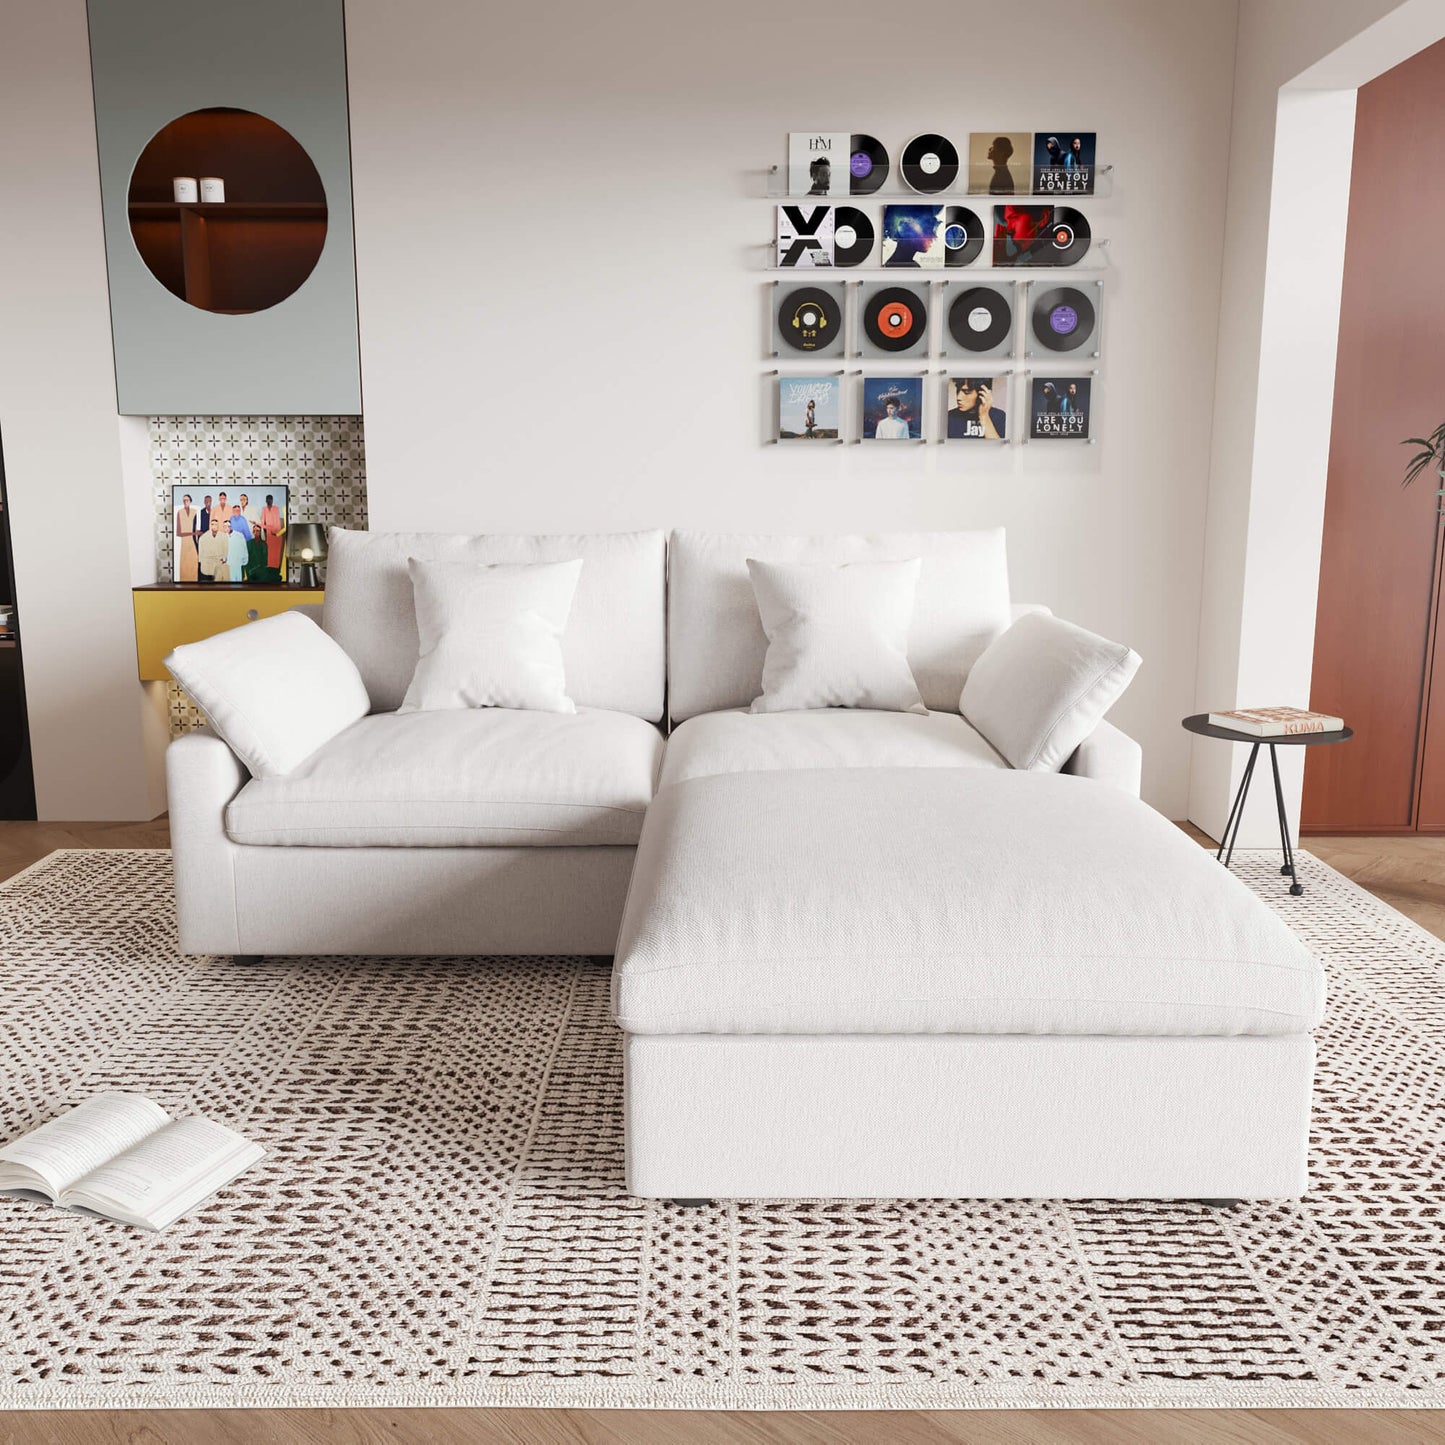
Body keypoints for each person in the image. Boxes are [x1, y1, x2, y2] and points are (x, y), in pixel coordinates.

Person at [239, 492, 267, 579]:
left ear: (247, 501)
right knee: (241, 557)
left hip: (251, 537)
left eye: (244, 499)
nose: (242, 501)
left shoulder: (252, 509)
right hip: (241, 538)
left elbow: (258, 523)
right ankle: (242, 576)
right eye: (241, 500)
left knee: (250, 558)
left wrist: (261, 537)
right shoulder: (238, 510)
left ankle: (251, 575)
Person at [175, 494, 199, 582]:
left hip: (193, 542)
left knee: (194, 564)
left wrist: (196, 534)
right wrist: (193, 533)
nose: (185, 502)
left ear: (190, 501)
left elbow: (197, 527)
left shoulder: (195, 512)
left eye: (187, 500)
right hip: (184, 543)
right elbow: (178, 533)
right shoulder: (179, 512)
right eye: (184, 500)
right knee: (185, 566)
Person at [261, 494, 285, 574]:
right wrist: (265, 535)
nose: (269, 501)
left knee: (276, 551)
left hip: (276, 533)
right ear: (266, 500)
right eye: (268, 499)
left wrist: (277, 533)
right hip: (268, 533)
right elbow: (263, 522)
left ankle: (276, 570)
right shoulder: (264, 509)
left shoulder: (276, 508)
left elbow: (277, 521)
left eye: (270, 499)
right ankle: (270, 568)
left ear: (272, 500)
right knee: (269, 552)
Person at [197, 516, 226, 584]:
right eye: (212, 524)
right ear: (210, 525)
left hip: (218, 563)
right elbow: (201, 553)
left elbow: (225, 549)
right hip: (207, 564)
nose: (214, 526)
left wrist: (224, 558)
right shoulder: (203, 537)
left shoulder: (223, 537)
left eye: (216, 524)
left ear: (218, 526)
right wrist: (201, 561)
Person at [224, 519, 248, 583]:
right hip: (228, 564)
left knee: (238, 581)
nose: (227, 528)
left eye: (228, 526)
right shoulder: (223, 537)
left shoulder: (239, 535)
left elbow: (244, 548)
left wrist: (245, 560)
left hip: (238, 563)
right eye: (225, 526)